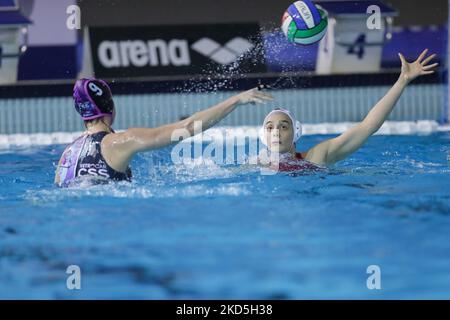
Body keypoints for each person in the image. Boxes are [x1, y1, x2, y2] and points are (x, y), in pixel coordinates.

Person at [55, 78, 273, 187]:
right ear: (109, 106)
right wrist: (236, 99)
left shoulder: (67, 154)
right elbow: (187, 128)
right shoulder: (119, 142)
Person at [259, 49, 438, 170]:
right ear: (263, 136)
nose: (276, 132)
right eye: (270, 127)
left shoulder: (317, 156)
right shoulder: (257, 166)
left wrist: (403, 80)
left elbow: (368, 127)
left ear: (296, 132)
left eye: (283, 126)